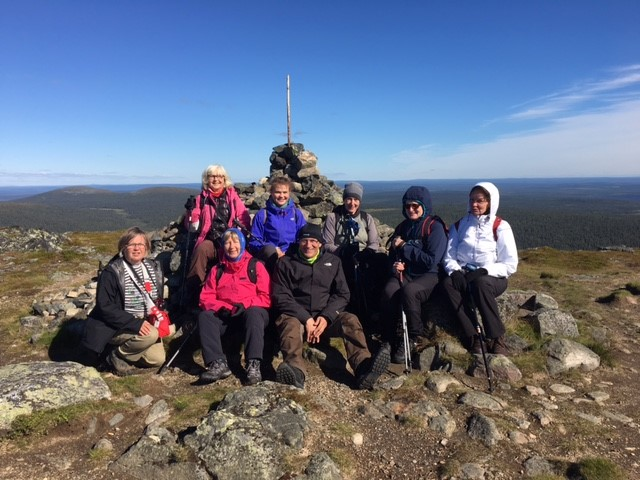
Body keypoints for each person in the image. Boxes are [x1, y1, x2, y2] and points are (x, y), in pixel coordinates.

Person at [271, 223, 390, 390]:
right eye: (304, 241)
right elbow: (280, 296)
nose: (309, 245)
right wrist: (306, 319)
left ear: (320, 243)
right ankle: (295, 372)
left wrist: (326, 317)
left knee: (350, 320)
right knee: (289, 325)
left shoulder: (333, 262)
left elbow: (342, 294)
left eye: (313, 241)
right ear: (298, 242)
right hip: (297, 318)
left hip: (324, 320)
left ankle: (363, 367)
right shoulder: (285, 263)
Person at [80, 227, 171, 375]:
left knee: (157, 359)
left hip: (144, 320)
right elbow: (105, 307)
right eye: (131, 244)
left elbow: (155, 298)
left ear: (147, 248)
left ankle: (119, 352)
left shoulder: (153, 268)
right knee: (151, 335)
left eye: (141, 244)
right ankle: (115, 357)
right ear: (123, 248)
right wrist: (135, 323)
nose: (136, 248)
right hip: (116, 325)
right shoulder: (112, 272)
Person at [442, 182, 518, 355]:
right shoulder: (459, 226)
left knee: (481, 284)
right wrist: (454, 271)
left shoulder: (500, 226)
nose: (474, 204)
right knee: (447, 284)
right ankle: (474, 336)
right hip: (464, 273)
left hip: (493, 278)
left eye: (480, 200)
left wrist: (485, 270)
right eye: (471, 200)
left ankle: (497, 337)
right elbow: (449, 256)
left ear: (490, 202)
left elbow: (510, 264)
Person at [381, 186, 447, 365]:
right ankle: (389, 337)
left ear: (424, 206)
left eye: (415, 206)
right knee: (389, 290)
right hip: (406, 272)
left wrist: (404, 247)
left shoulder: (435, 227)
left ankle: (413, 337)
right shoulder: (403, 227)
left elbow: (431, 261)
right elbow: (392, 254)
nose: (411, 209)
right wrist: (394, 265)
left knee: (410, 292)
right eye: (407, 205)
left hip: (429, 275)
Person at [197, 228, 271, 385]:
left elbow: (266, 297)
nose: (232, 246)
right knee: (205, 316)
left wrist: (245, 305)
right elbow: (205, 297)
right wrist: (221, 307)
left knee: (255, 313)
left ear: (242, 243)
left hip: (250, 315)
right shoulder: (217, 270)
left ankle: (253, 365)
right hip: (226, 316)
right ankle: (217, 363)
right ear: (223, 246)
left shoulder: (255, 266)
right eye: (227, 242)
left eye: (236, 241)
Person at [183, 165, 251, 307]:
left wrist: (237, 237)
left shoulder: (232, 196)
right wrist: (191, 213)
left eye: (220, 176)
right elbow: (192, 227)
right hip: (211, 240)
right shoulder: (201, 199)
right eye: (212, 176)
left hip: (230, 239)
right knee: (201, 250)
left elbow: (243, 218)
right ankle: (194, 293)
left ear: (224, 179)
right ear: (207, 179)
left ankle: (233, 297)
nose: (216, 179)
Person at [322, 182, 385, 325]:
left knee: (380, 263)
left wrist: (366, 253)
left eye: (356, 199)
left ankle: (373, 309)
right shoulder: (333, 217)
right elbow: (327, 243)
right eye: (349, 199)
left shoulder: (366, 218)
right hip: (341, 257)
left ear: (360, 201)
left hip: (363, 257)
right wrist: (342, 251)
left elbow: (374, 242)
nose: (352, 203)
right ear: (344, 200)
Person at [248, 176, 306, 272]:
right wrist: (274, 249)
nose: (281, 196)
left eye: (285, 192)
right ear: (271, 192)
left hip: (292, 255)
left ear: (289, 193)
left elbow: (303, 237)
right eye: (278, 192)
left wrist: (289, 252)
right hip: (270, 258)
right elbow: (254, 242)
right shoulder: (262, 214)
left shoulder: (296, 214)